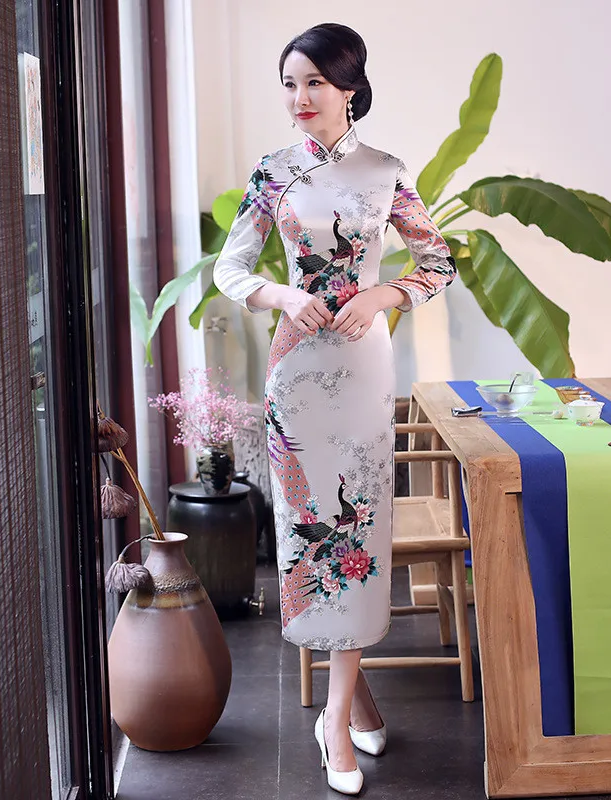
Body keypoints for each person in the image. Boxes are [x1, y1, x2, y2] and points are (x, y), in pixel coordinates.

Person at [213, 22, 455, 795]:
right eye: (289, 84)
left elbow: (438, 261)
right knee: (309, 539)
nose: (299, 97)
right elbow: (230, 267)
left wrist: (384, 295)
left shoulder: (386, 172)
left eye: (314, 82)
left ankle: (336, 715)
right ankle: (351, 706)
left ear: (349, 86)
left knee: (357, 532)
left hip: (360, 372)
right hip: (295, 375)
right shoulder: (273, 172)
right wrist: (282, 295)